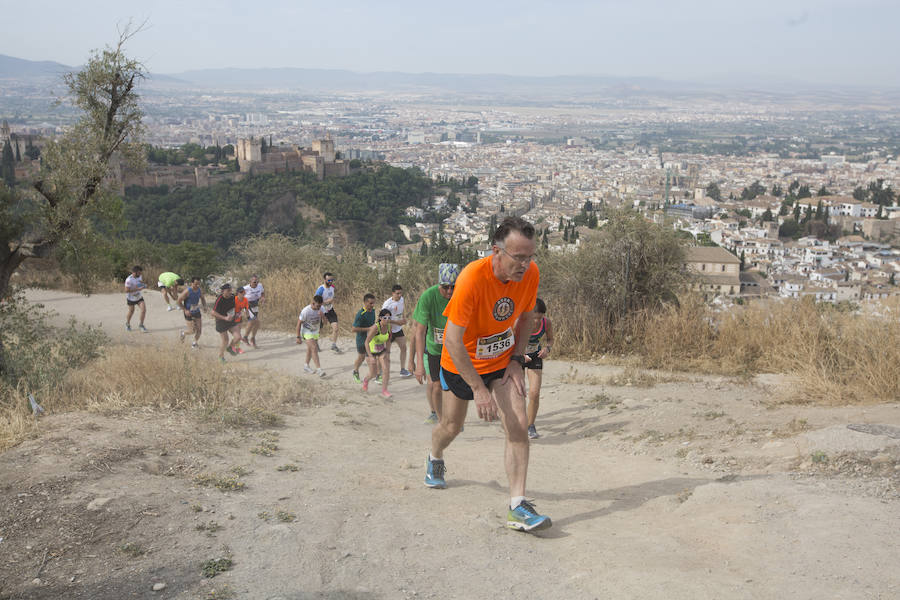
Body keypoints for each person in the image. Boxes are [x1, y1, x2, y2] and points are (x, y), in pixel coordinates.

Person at [425, 216, 551, 533]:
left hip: (501, 358)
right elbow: (452, 341)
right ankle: (435, 455)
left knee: (518, 424)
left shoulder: (531, 274)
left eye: (529, 256)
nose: (525, 264)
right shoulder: (471, 279)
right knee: (452, 426)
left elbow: (525, 319)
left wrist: (516, 360)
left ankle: (517, 505)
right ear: (496, 251)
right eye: (518, 257)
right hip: (462, 363)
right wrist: (479, 390)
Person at [412, 263, 460, 425]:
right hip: (434, 349)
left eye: (453, 287)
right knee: (435, 385)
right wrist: (418, 364)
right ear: (439, 284)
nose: (449, 292)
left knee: (455, 386)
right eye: (445, 287)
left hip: (454, 349)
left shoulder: (461, 295)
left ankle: (451, 418)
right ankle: (438, 416)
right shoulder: (428, 296)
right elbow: (419, 331)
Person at [524, 298, 554, 439]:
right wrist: (519, 355)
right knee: (516, 394)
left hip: (535, 356)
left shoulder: (546, 323)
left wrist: (547, 349)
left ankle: (530, 426)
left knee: (534, 393)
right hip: (517, 356)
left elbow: (550, 339)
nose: (536, 321)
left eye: (539, 318)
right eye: (534, 318)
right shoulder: (519, 321)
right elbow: (508, 340)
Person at [363, 309, 394, 399]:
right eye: (385, 317)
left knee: (386, 370)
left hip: (381, 351)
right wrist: (371, 356)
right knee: (373, 374)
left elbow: (388, 340)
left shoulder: (389, 327)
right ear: (380, 318)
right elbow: (366, 342)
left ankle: (384, 390)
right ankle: (366, 380)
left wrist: (388, 352)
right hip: (371, 352)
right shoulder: (375, 328)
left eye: (389, 317)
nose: (387, 319)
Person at [383, 284, 412, 377]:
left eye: (401, 293)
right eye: (397, 293)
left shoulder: (402, 299)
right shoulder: (387, 304)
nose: (400, 295)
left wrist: (403, 318)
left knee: (404, 347)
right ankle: (382, 373)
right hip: (388, 330)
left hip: (398, 330)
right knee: (386, 352)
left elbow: (401, 310)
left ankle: (403, 370)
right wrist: (397, 322)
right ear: (393, 293)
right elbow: (383, 319)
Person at [296, 294, 327, 377]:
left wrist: (323, 316)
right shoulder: (306, 311)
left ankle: (306, 365)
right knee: (314, 348)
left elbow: (325, 322)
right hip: (306, 331)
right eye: (318, 306)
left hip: (315, 331)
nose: (319, 307)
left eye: (320, 306)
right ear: (313, 303)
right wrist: (298, 337)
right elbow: (298, 324)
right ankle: (319, 369)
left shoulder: (321, 309)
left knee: (310, 349)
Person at [211, 283, 241, 363]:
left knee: (238, 337)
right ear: (223, 291)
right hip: (221, 321)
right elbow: (213, 313)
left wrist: (238, 312)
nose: (230, 292)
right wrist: (224, 317)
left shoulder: (233, 297)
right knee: (225, 341)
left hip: (231, 320)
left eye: (230, 290)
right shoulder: (219, 299)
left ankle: (230, 348)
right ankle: (221, 357)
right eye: (228, 291)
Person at [351, 293, 377, 384]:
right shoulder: (360, 314)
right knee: (361, 358)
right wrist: (369, 329)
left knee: (373, 358)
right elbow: (353, 329)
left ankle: (375, 375)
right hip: (361, 340)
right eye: (370, 303)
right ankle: (355, 371)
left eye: (374, 303)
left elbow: (373, 324)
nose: (373, 305)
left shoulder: (373, 311)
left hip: (371, 340)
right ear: (365, 302)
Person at [178, 277, 208, 348]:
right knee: (192, 331)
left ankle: (194, 344)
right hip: (188, 313)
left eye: (198, 284)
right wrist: (185, 310)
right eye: (195, 284)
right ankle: (183, 333)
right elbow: (178, 301)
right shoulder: (187, 291)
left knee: (199, 330)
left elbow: (203, 298)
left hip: (196, 311)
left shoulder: (199, 290)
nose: (197, 286)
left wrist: (205, 306)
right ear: (191, 283)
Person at [316, 272, 341, 353]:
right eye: (329, 280)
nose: (330, 282)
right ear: (324, 280)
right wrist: (326, 301)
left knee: (336, 328)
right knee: (319, 330)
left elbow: (332, 296)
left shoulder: (332, 287)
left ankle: (333, 345)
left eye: (332, 280)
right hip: (322, 311)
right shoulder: (321, 289)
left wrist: (332, 300)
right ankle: (315, 344)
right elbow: (316, 302)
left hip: (330, 310)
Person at [242, 275, 265, 348]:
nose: (256, 283)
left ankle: (249, 338)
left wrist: (262, 298)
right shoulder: (245, 288)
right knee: (254, 321)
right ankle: (249, 338)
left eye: (257, 282)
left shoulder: (260, 286)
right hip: (247, 305)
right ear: (250, 282)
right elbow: (238, 297)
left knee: (255, 323)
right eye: (254, 282)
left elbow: (262, 293)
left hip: (255, 305)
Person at [124, 265, 149, 333]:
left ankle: (141, 325)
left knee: (143, 310)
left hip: (139, 297)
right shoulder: (128, 280)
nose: (140, 274)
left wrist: (144, 284)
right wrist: (138, 289)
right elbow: (126, 290)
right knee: (131, 311)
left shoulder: (139, 276)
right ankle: (127, 324)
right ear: (134, 272)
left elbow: (140, 281)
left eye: (141, 273)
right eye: (139, 273)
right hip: (131, 298)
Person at [230, 286, 250, 354]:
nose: (243, 293)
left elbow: (246, 310)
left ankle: (236, 348)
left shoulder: (245, 300)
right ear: (237, 293)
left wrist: (248, 318)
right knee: (237, 336)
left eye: (243, 292)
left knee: (238, 335)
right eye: (241, 292)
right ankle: (232, 347)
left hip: (239, 319)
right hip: (231, 320)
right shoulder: (234, 299)